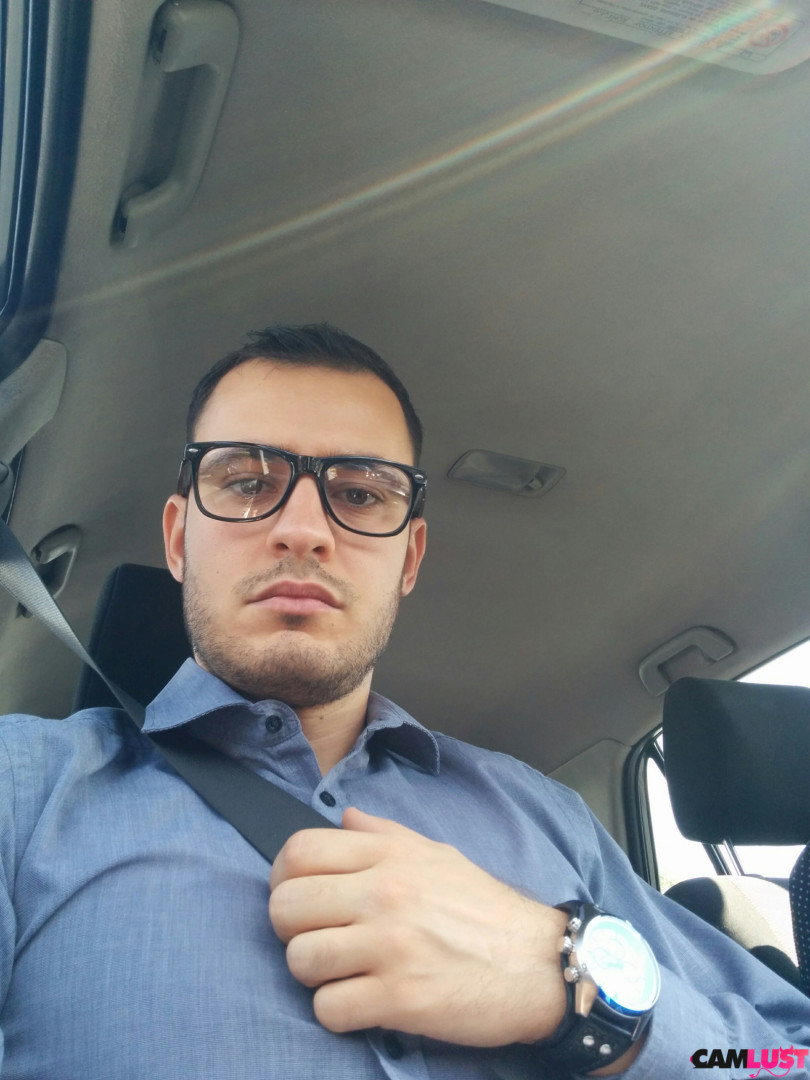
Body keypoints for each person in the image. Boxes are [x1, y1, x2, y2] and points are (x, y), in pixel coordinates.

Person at [0, 323, 807, 1080]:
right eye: (246, 482)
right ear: (179, 538)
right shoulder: (24, 790)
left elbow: (780, 1060)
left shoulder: (547, 819)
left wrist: (568, 985)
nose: (303, 530)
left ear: (410, 557)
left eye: (359, 495)